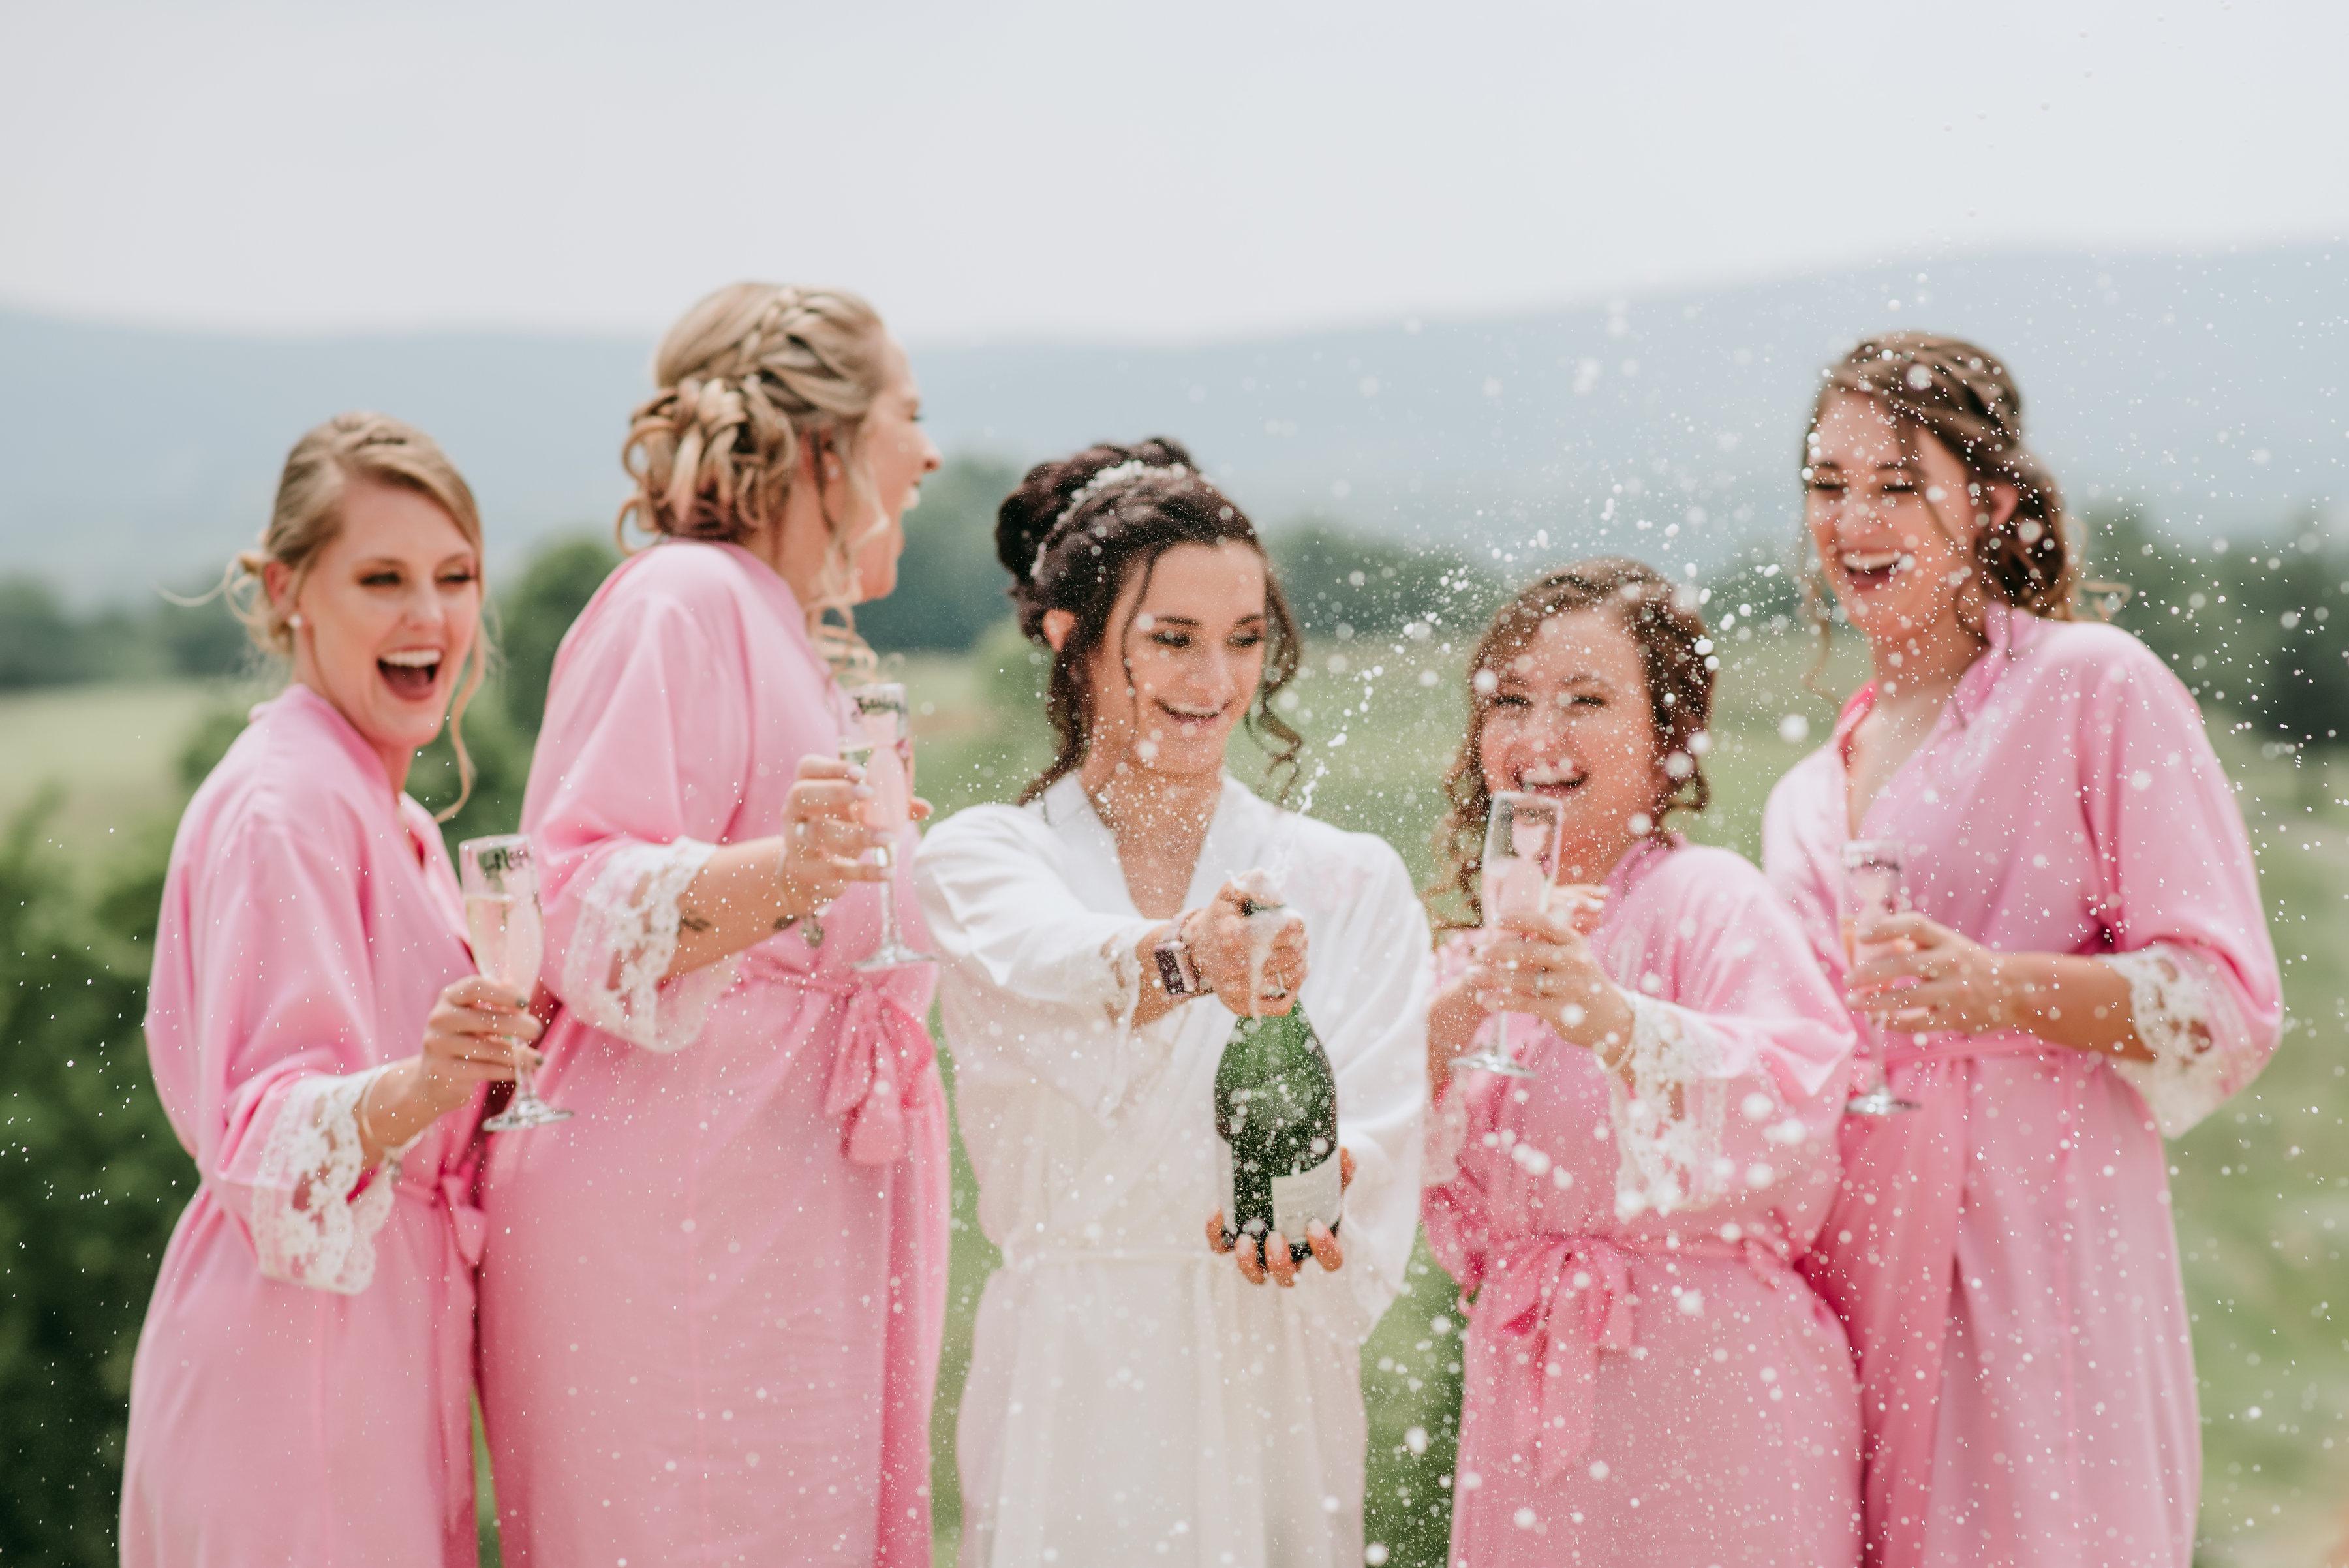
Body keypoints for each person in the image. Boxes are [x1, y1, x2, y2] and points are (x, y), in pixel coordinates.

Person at [1764, 331, 2284, 1567]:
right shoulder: (1800, 791)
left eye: (1899, 483)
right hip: (1848, 1272)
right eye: (1829, 484)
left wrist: (1999, 988)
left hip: (2038, 1269)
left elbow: (2227, 1002)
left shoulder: (2093, 687)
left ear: (1990, 503)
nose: (1854, 521)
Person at [474, 283, 947, 1566]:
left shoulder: (783, 631)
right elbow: (572, 889)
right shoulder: (679, 597)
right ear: (824, 443)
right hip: (683, 1218)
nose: (929, 453)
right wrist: (785, 877)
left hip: (774, 1211)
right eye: (908, 413)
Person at [914, 440, 1429, 1567]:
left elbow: (1386, 1111)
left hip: (1272, 1360)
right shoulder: (984, 860)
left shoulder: (1350, 878)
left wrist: (1326, 1191)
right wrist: (1190, 959)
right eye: (1174, 638)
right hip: (1075, 1377)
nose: (1216, 680)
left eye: (1245, 639)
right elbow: (1050, 963)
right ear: (1071, 638)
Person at [121, 413, 536, 1565]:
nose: (429, 615)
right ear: (286, 588)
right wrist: (427, 1082)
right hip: (293, 1375)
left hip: (379, 1350)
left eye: (456, 576)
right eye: (383, 578)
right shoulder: (285, 806)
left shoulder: (390, 812)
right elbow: (261, 1132)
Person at [1421, 558, 1862, 1566]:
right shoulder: (1478, 955)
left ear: (1669, 737)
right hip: (1529, 1390)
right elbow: (1385, 1163)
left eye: (1586, 701)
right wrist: (1458, 1012)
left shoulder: (1714, 898)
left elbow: (1796, 1112)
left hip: (1709, 1389)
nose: (1539, 736)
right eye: (1511, 702)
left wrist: (1617, 1024)